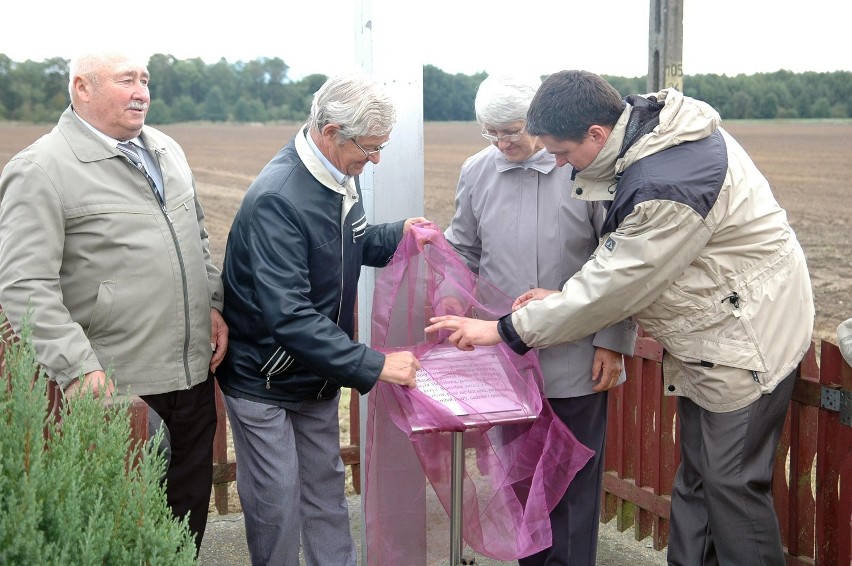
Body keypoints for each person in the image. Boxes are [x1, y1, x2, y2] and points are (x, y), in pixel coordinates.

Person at [426, 70, 814, 566]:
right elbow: (612, 270)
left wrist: (504, 329)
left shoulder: (661, 182)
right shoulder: (639, 148)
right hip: (709, 334)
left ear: (596, 134)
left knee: (731, 484)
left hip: (744, 337)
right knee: (698, 480)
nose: (559, 164)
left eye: (562, 153)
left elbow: (612, 283)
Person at [0, 51, 228, 552]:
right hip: (117, 389)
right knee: (123, 528)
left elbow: (199, 237)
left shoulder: (167, 149)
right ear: (83, 88)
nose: (142, 92)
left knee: (185, 523)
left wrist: (212, 303)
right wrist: (78, 367)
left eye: (145, 80)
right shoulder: (40, 168)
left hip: (191, 377)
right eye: (127, 80)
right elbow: (23, 284)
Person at [215, 72, 424, 566]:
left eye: (381, 147)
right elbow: (288, 315)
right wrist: (374, 365)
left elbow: (353, 242)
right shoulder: (279, 198)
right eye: (369, 147)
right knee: (277, 503)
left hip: (315, 372)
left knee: (326, 490)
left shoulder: (339, 175)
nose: (375, 159)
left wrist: (399, 234)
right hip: (263, 377)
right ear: (330, 131)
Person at [442, 74, 636, 566]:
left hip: (577, 356)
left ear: (538, 123)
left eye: (511, 130)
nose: (502, 143)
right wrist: (449, 298)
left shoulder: (584, 168)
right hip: (504, 355)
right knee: (519, 481)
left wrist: (614, 339)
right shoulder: (476, 171)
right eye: (491, 133)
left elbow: (618, 260)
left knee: (571, 483)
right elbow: (463, 247)